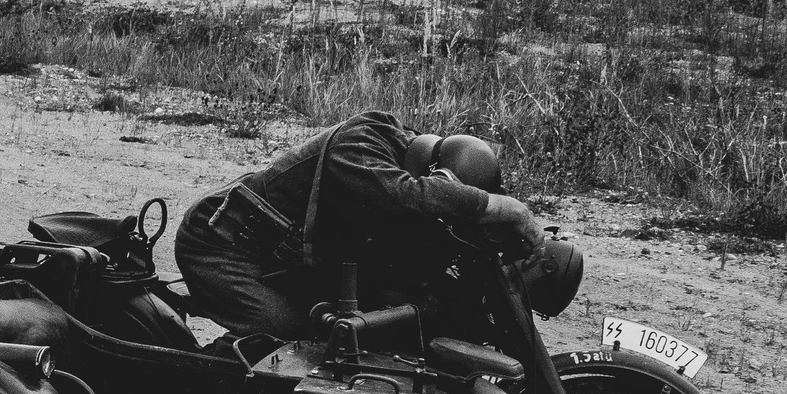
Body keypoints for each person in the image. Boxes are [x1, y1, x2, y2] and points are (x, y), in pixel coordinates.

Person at [174, 111, 543, 341]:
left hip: (277, 260)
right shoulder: (363, 141)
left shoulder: (405, 167)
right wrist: (504, 208)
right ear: (435, 174)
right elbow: (404, 195)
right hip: (219, 246)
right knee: (300, 343)